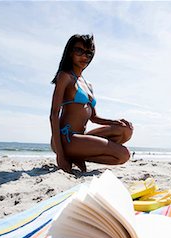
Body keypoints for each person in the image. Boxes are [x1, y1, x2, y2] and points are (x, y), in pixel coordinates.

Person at [50, 34, 133, 173]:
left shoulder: (88, 84)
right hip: (67, 138)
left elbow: (94, 117)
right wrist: (60, 155)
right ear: (70, 52)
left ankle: (78, 155)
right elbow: (53, 114)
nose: (84, 56)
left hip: (81, 138)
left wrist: (115, 121)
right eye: (79, 51)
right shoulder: (65, 76)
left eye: (89, 53)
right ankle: (73, 154)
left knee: (125, 130)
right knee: (123, 155)